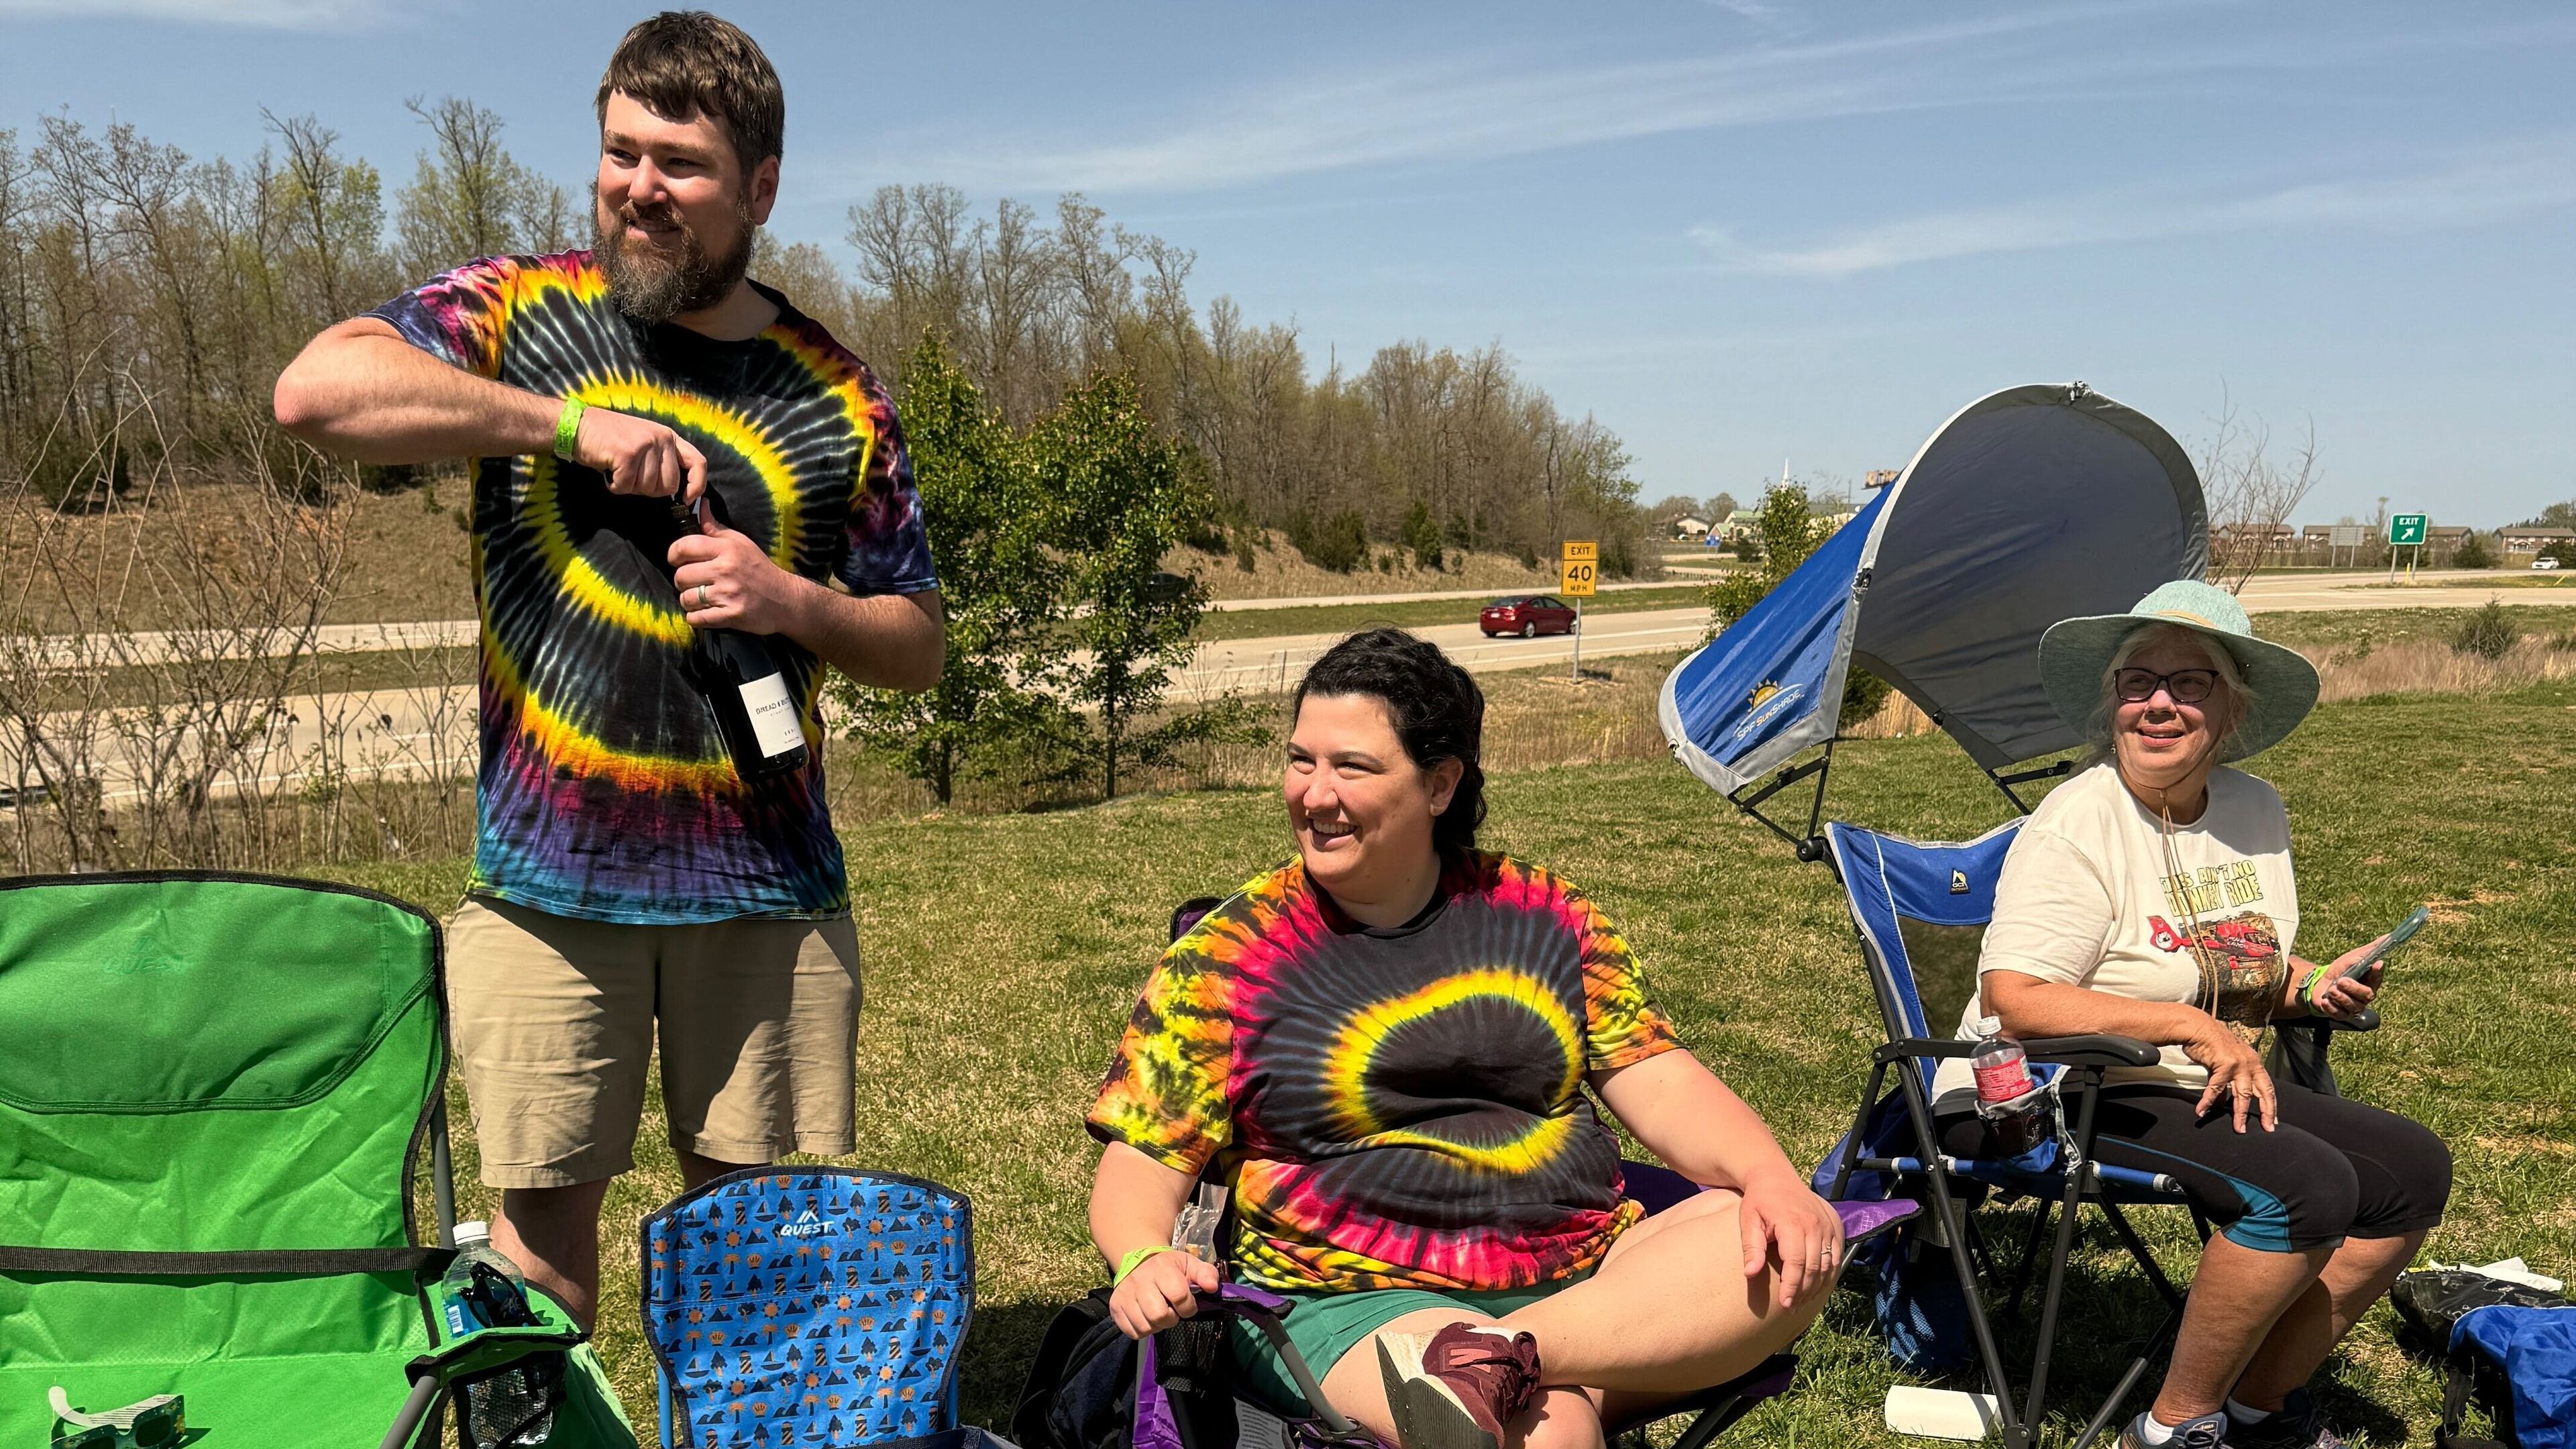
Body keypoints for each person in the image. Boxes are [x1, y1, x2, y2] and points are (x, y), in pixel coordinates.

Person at [271, 12, 943, 1326]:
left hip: (765, 891)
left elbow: (917, 642)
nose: (641, 186)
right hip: (548, 890)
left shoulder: (833, 391)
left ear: (759, 186)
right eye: (620, 152)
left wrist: (795, 600)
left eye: (681, 163)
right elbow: (318, 394)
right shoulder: (521, 314)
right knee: (535, 1258)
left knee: (756, 1258)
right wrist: (564, 423)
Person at [1086, 629, 1843, 1449]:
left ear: (1441, 783)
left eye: (1353, 767)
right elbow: (1142, 1161)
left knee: (1788, 1246)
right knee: (1549, 1434)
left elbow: (1654, 1073)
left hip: (1587, 1277)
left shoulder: (1542, 915)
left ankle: (1505, 1358)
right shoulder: (1232, 955)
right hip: (1349, 1296)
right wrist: (1139, 1258)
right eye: (1301, 760)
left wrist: (1771, 1178)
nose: (1315, 794)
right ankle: (1515, 1370)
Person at [1929, 580, 2451, 1449]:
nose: (2160, 702)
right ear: (2114, 703)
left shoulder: (2254, 812)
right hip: (2051, 1086)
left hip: (2188, 1072)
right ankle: (2172, 1429)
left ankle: (2258, 1406)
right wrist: (2195, 1031)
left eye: (2191, 681)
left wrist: (2307, 986)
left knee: (2410, 1171)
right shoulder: (2080, 822)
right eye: (2139, 681)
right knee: (2308, 1187)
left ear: (2232, 707)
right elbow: (2014, 1002)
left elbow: (2234, 971)